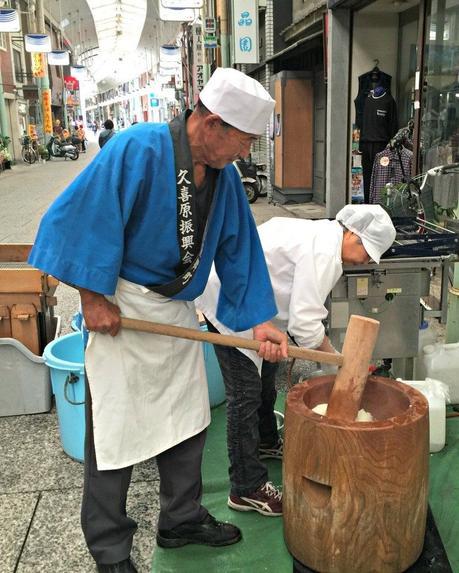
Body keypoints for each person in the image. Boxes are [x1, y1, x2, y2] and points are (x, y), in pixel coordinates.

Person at [28, 67, 288, 573]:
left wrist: (260, 321)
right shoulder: (138, 149)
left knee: (187, 421)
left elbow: (240, 251)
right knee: (114, 432)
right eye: (243, 141)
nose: (245, 154)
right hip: (123, 310)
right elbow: (81, 217)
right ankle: (110, 550)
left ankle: (180, 518)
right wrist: (92, 295)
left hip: (174, 315)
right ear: (212, 124)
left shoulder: (225, 178)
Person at [197, 204, 397, 517]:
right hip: (230, 299)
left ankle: (263, 440)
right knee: (245, 393)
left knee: (266, 376)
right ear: (354, 236)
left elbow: (300, 309)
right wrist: (335, 363)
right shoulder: (322, 252)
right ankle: (245, 487)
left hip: (259, 307)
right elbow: (304, 323)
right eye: (368, 254)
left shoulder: (324, 238)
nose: (367, 263)